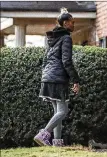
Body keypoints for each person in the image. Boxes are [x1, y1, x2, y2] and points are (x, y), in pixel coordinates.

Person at [33, 7, 80, 147]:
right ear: (65, 23)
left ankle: (57, 143)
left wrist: (45, 76)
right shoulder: (66, 38)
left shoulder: (51, 38)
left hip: (48, 77)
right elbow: (66, 61)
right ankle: (43, 134)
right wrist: (76, 80)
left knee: (57, 111)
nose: (73, 25)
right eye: (72, 22)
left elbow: (45, 60)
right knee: (63, 111)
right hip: (58, 79)